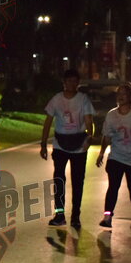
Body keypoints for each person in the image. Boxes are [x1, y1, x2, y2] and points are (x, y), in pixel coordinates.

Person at [40, 69, 95, 229]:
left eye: (75, 81)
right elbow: (48, 121)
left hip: (79, 143)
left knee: (78, 181)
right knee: (59, 179)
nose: (72, 84)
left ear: (78, 83)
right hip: (60, 144)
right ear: (64, 82)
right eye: (69, 81)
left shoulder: (83, 99)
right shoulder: (56, 99)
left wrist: (89, 137)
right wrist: (43, 144)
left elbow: (88, 120)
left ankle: (75, 216)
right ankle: (59, 214)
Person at [95, 83, 131, 229]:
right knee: (113, 187)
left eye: (124, 94)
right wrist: (101, 153)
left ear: (130, 96)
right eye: (118, 94)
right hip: (116, 157)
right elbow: (106, 136)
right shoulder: (111, 115)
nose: (120, 97)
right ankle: (107, 217)